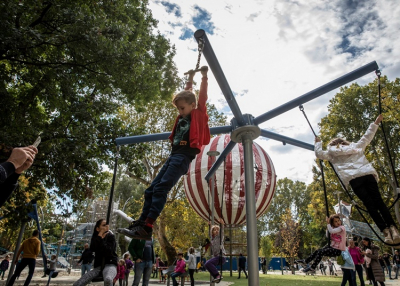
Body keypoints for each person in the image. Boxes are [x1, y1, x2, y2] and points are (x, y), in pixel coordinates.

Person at [118, 67, 210, 240]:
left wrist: (204, 77)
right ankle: (142, 222)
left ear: (192, 106)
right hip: (173, 156)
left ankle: (148, 226)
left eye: (182, 108)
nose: (180, 112)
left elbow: (201, 98)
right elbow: (187, 93)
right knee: (150, 190)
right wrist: (190, 78)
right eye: (178, 109)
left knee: (161, 188)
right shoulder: (183, 114)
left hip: (183, 158)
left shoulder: (198, 114)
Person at [315, 115, 400, 244]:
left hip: (354, 180)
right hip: (367, 175)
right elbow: (367, 136)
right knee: (379, 202)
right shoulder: (356, 147)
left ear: (333, 145)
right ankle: (393, 228)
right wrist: (375, 123)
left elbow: (319, 154)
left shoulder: (332, 154)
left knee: (370, 205)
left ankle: (385, 231)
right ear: (344, 142)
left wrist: (318, 143)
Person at [73, 219, 118, 286]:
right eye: (103, 225)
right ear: (97, 228)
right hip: (99, 266)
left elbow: (108, 251)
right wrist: (100, 237)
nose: (106, 227)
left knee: (108, 279)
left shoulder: (111, 236)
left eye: (106, 225)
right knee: (78, 283)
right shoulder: (95, 238)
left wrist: (102, 240)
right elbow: (93, 249)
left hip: (110, 264)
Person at [205, 218, 226, 283]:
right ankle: (216, 277)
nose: (216, 231)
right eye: (214, 230)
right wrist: (210, 225)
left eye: (217, 230)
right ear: (212, 232)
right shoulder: (212, 239)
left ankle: (217, 275)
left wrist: (222, 224)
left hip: (221, 256)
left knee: (208, 263)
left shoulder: (220, 237)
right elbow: (210, 233)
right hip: (216, 257)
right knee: (206, 265)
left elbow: (222, 232)